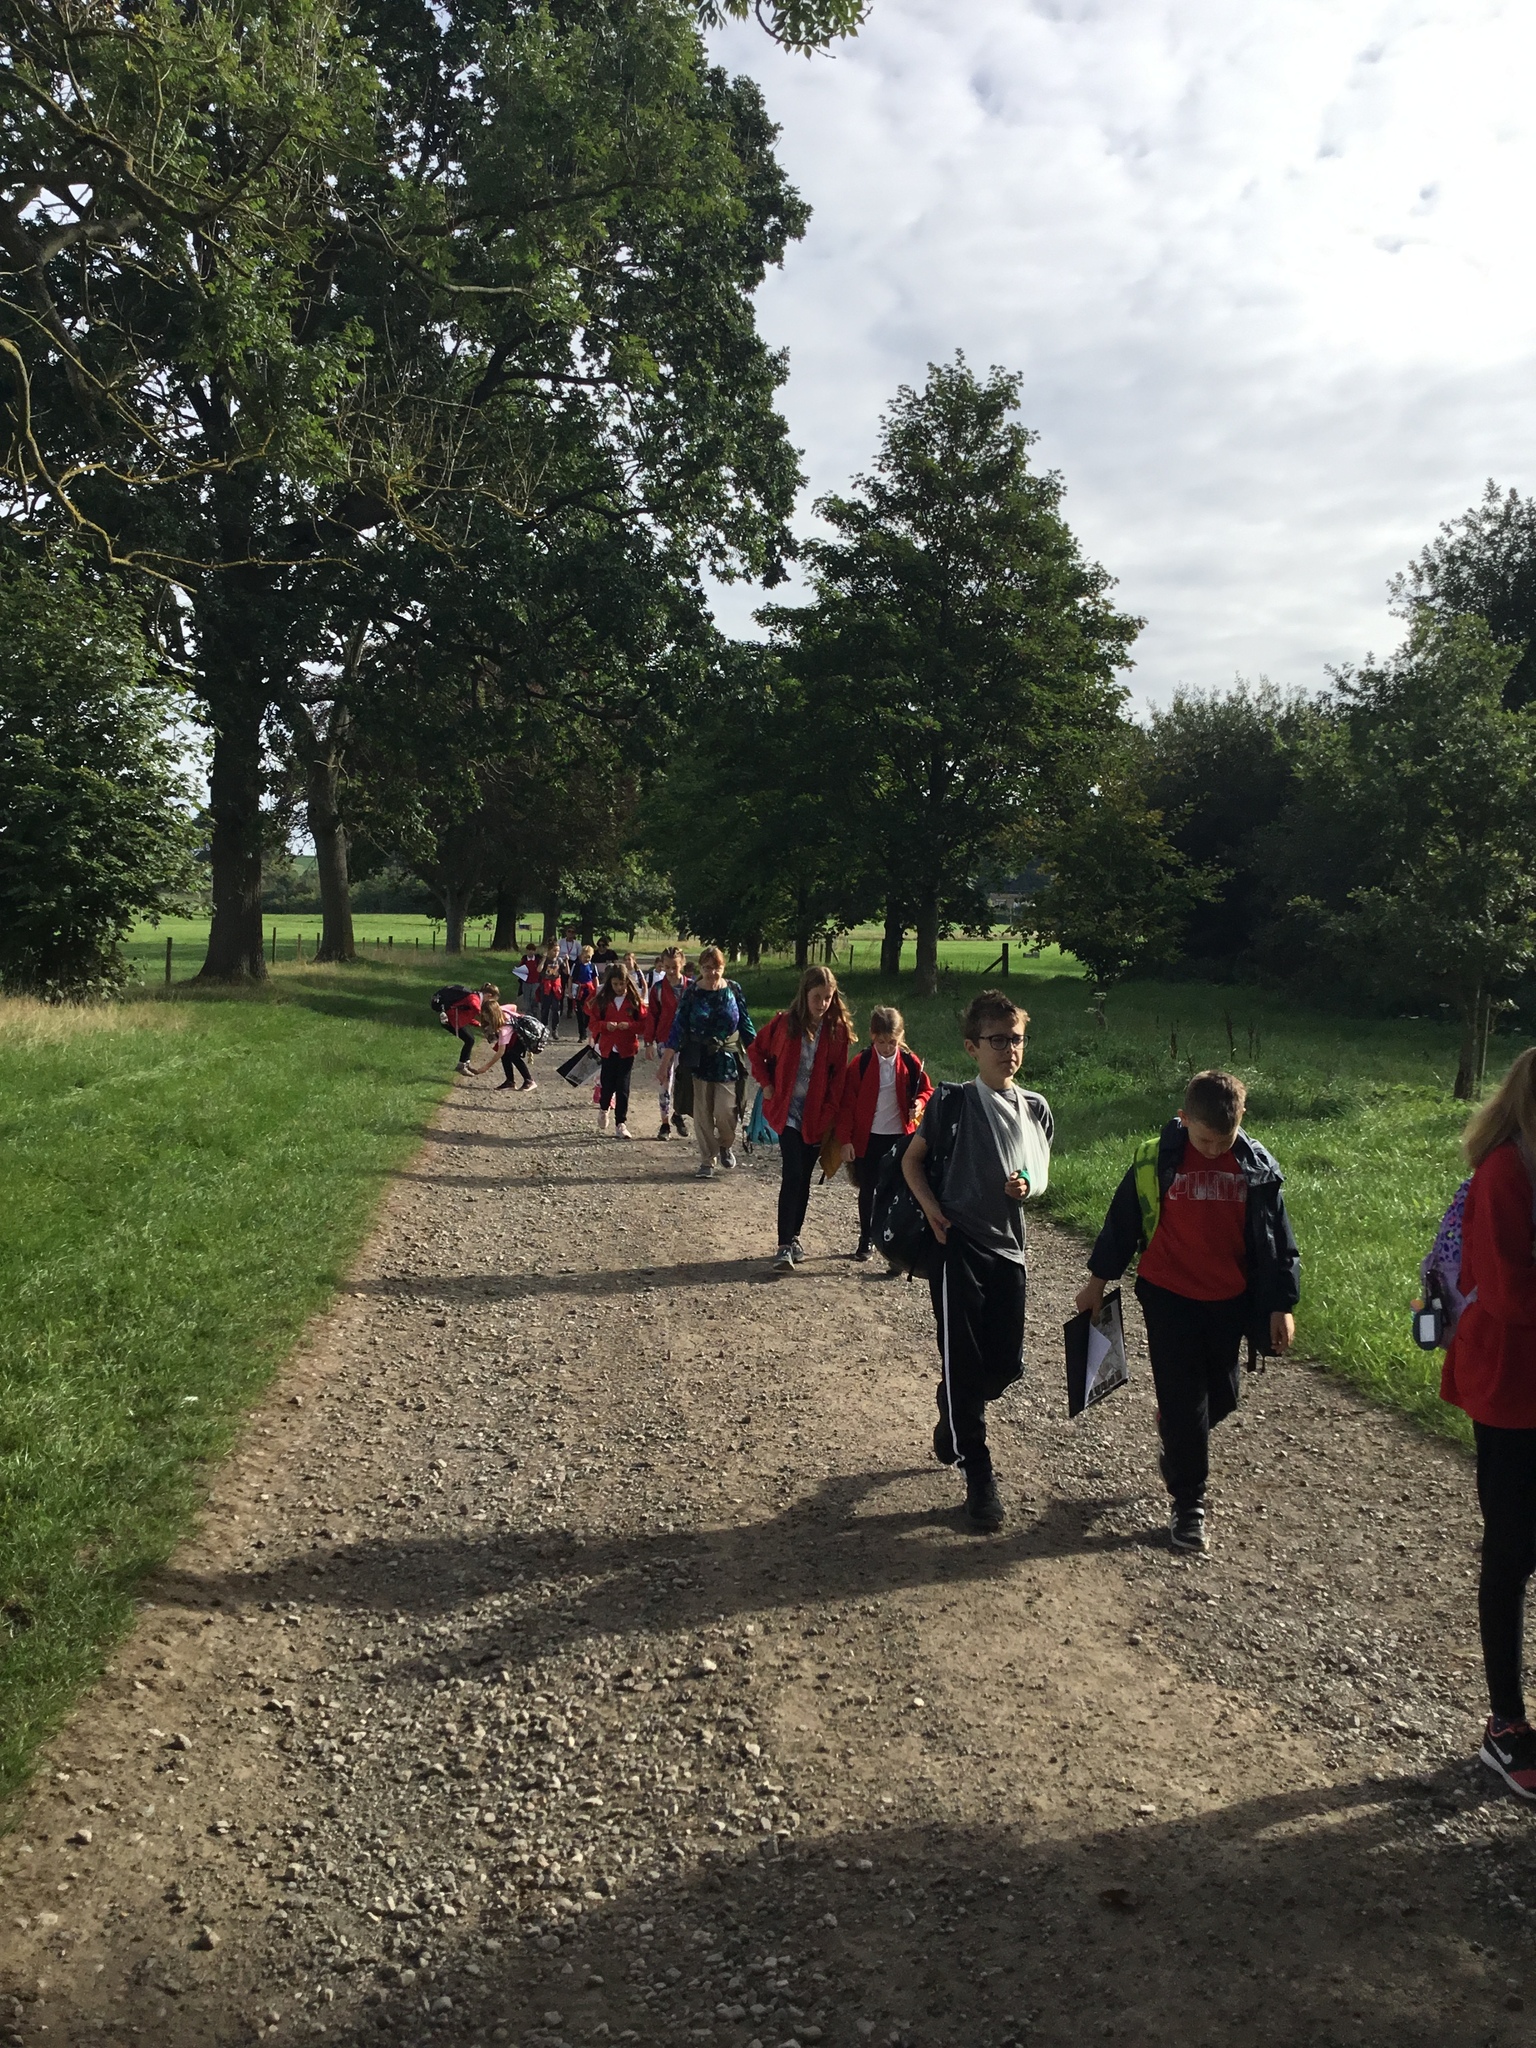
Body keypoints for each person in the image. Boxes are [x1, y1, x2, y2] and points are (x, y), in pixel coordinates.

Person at [1075, 1068, 1299, 1558]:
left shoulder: (1257, 1168)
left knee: (1224, 1397)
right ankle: (1188, 1503)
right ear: (1183, 1119)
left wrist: (1281, 1304)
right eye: (1204, 1139)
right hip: (1168, 1295)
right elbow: (1121, 1225)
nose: (1214, 1149)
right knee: (1184, 1399)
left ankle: (1176, 1432)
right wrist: (1096, 1283)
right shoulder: (1157, 1160)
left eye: (1225, 1139)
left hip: (1229, 1300)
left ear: (1243, 1119)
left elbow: (1278, 1242)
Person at [903, 990, 1052, 1533]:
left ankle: (952, 1405)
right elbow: (911, 1162)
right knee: (964, 1362)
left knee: (1005, 1364)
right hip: (958, 1245)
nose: (1009, 1050)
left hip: (1010, 1248)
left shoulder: (1036, 1108)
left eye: (1017, 1039)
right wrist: (931, 1209)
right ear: (972, 1047)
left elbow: (1039, 1171)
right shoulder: (953, 1103)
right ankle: (978, 1472)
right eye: (997, 1041)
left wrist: (1027, 1184)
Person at [1439, 1048, 1536, 1799]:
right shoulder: (1506, 1172)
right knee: (1511, 1551)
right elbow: (1507, 1294)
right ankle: (1505, 1727)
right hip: (1509, 1387)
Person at [750, 965, 856, 1274]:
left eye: (827, 997)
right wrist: (766, 1084)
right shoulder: (785, 1024)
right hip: (787, 1112)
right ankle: (784, 1244)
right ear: (804, 995)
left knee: (804, 1177)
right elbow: (756, 1051)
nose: (822, 1004)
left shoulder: (837, 1032)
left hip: (817, 1116)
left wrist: (829, 1112)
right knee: (793, 1172)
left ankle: (794, 1236)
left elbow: (838, 1079)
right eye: (816, 997)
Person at [837, 1004, 933, 1262]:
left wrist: (919, 1104)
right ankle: (866, 1238)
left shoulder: (910, 1062)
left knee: (897, 1192)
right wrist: (845, 1140)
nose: (887, 1048)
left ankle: (894, 1247)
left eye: (892, 1042)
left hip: (899, 1138)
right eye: (881, 1042)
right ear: (872, 1036)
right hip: (868, 1138)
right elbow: (846, 1105)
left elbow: (926, 1090)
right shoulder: (861, 1063)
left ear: (900, 1037)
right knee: (868, 1189)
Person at [667, 945, 756, 1177]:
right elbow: (678, 1026)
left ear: (723, 967)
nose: (712, 973)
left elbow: (745, 1023)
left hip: (727, 1060)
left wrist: (760, 1054)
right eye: (707, 968)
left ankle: (725, 1144)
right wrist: (666, 1060)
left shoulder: (733, 989)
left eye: (716, 968)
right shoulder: (692, 993)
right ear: (700, 968)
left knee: (726, 1111)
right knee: (703, 1114)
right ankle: (707, 1160)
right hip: (699, 1059)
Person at [588, 961, 647, 1138]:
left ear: (627, 982)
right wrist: (605, 1025)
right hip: (607, 1048)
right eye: (615, 984)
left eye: (622, 984)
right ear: (610, 983)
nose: (619, 988)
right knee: (607, 1084)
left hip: (627, 1049)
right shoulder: (603, 1001)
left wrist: (629, 1026)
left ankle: (621, 1123)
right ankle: (603, 1108)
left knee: (623, 1087)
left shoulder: (634, 1001)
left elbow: (643, 1025)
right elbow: (593, 1024)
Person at [646, 946, 691, 1139]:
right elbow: (652, 1016)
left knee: (685, 1079)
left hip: (687, 1041)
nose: (671, 971)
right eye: (667, 967)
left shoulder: (692, 987)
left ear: (682, 964)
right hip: (665, 1038)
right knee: (665, 1079)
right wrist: (648, 1042)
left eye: (675, 967)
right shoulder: (657, 989)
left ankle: (678, 1114)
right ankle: (664, 1124)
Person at [469, 988, 535, 1091]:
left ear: (492, 1015)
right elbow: (514, 1007)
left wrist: (486, 1067)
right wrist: (514, 1020)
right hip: (518, 1033)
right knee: (507, 1055)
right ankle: (510, 1081)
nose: (485, 1019)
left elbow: (500, 1051)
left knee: (513, 1055)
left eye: (487, 1016)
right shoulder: (501, 1009)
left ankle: (529, 1081)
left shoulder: (504, 1029)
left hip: (523, 1035)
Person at [443, 985, 482, 1073]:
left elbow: (467, 1016)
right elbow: (474, 1006)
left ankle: (465, 1063)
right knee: (469, 1040)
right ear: (489, 995)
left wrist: (478, 1024)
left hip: (456, 1019)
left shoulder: (475, 997)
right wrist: (483, 1016)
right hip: (452, 1019)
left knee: (470, 1039)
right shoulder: (474, 998)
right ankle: (461, 1066)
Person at [535, 950, 564, 1039]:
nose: (556, 952)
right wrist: (544, 959)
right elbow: (538, 970)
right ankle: (544, 1028)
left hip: (556, 987)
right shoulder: (545, 960)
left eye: (558, 950)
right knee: (545, 1009)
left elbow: (567, 972)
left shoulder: (559, 960)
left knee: (556, 1009)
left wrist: (566, 961)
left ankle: (555, 1029)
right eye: (554, 950)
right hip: (546, 986)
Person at [572, 945, 597, 1042]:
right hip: (579, 991)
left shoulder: (593, 966)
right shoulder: (576, 966)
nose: (586, 959)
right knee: (579, 1013)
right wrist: (570, 991)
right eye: (585, 957)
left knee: (588, 1013)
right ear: (581, 955)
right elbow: (571, 979)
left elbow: (595, 979)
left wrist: (597, 991)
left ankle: (585, 1027)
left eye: (589, 957)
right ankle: (581, 1034)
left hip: (589, 992)